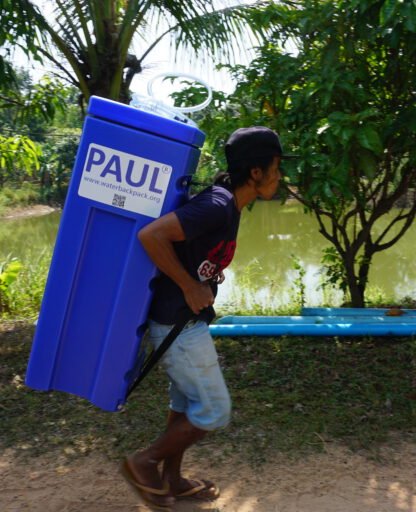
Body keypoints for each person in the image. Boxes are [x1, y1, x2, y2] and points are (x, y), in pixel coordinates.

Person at [121, 126, 294, 509]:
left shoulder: (229, 206)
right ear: (255, 172)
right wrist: (189, 285)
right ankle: (143, 462)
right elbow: (152, 236)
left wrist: (207, 273)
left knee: (184, 404)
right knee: (215, 411)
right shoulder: (217, 205)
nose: (281, 176)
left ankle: (172, 479)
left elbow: (192, 250)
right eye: (277, 167)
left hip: (184, 322)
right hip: (176, 323)